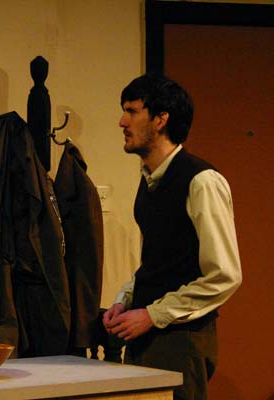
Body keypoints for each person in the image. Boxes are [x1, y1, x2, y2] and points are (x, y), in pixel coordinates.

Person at [103, 74, 242, 400]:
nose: (122, 122)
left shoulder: (201, 181)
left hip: (180, 340)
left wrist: (152, 315)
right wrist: (125, 300)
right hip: (146, 334)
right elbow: (159, 260)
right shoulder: (149, 180)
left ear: (161, 119)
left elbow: (225, 275)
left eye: (132, 111)